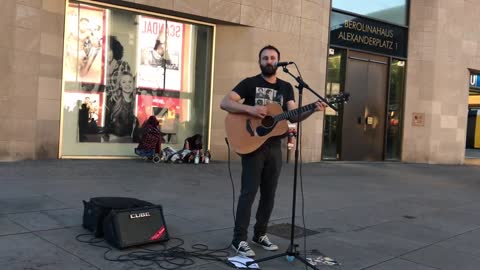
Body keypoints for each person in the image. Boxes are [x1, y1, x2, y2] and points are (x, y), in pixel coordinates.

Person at [220, 45, 325, 257]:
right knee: (248, 193)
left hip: (274, 146)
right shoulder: (249, 83)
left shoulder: (286, 87)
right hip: (252, 145)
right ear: (260, 61)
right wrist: (250, 109)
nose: (269, 61)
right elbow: (225, 102)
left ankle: (260, 234)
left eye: (272, 58)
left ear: (278, 61)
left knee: (269, 194)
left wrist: (313, 108)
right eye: (265, 58)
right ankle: (238, 239)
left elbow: (292, 115)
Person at [107, 72, 139, 140]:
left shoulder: (136, 103)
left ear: (133, 84)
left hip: (130, 143)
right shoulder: (113, 101)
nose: (127, 84)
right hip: (114, 142)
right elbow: (106, 124)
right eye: (124, 82)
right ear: (120, 85)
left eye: (130, 81)